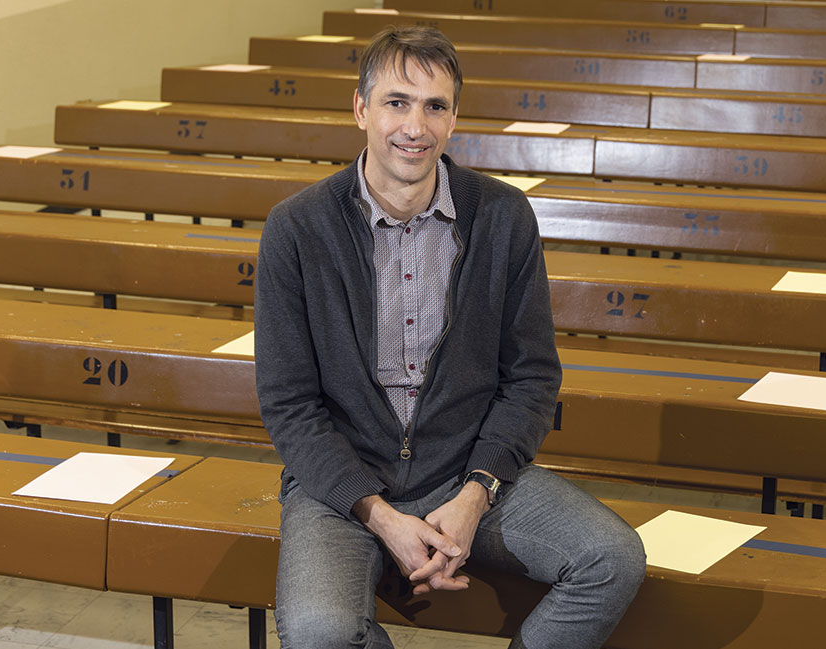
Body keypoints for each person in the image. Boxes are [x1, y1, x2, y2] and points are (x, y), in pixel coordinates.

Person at [254, 25, 646, 649]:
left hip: (465, 471)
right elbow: (288, 404)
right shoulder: (297, 228)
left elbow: (532, 377)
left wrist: (476, 493)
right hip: (344, 484)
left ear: (455, 117)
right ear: (360, 109)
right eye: (396, 103)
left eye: (435, 106)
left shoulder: (502, 216)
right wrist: (380, 515)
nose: (416, 125)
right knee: (319, 635)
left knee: (612, 559)